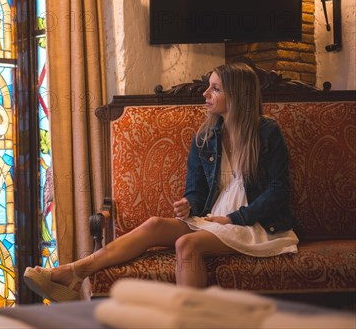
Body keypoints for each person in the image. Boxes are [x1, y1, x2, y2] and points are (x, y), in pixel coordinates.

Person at [24, 62, 299, 301]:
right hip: (215, 220)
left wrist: (234, 218)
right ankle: (74, 272)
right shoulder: (205, 137)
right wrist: (188, 205)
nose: (206, 93)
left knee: (186, 244)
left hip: (255, 224)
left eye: (215, 88)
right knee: (155, 224)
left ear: (238, 94)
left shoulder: (267, 132)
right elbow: (196, 190)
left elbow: (278, 191)